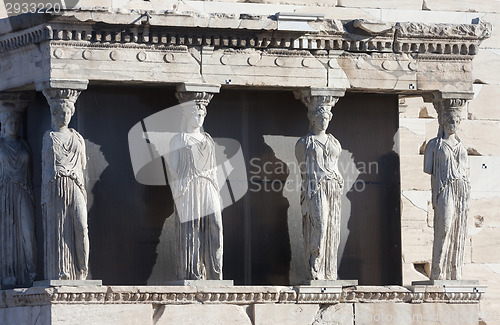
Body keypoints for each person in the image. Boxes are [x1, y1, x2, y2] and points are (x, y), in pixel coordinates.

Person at [168, 103, 223, 280]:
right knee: (192, 229)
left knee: (215, 225)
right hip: (189, 186)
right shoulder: (179, 139)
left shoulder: (208, 139)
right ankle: (193, 272)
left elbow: (214, 167)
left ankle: (215, 272)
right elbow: (173, 168)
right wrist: (179, 192)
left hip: (209, 185)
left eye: (202, 115)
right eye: (196, 114)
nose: (199, 118)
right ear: (187, 116)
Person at [41, 95, 89, 280]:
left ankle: (83, 269)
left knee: (81, 226)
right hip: (56, 185)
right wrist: (45, 196)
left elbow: (82, 165)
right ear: (54, 114)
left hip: (76, 183)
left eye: (68, 112)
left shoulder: (78, 137)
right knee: (59, 229)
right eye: (61, 112)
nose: (65, 116)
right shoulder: (49, 137)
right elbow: (45, 167)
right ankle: (62, 271)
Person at [295, 105, 343, 281]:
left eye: (327, 118)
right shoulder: (304, 143)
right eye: (321, 118)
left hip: (333, 187)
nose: (324, 122)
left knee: (332, 228)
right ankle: (314, 264)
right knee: (320, 226)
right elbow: (303, 169)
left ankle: (328, 271)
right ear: (313, 119)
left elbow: (335, 164)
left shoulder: (334, 141)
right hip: (315, 188)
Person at [424, 108, 470, 280]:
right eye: (451, 121)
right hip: (444, 189)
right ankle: (437, 269)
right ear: (443, 121)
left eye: (458, 121)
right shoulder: (434, 145)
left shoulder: (461, 146)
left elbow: (465, 170)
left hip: (462, 189)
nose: (455, 125)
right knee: (445, 227)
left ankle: (454, 270)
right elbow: (429, 169)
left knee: (458, 229)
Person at [0, 111, 36, 287]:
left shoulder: (24, 145)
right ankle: (9, 274)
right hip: (5, 192)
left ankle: (30, 273)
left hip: (24, 191)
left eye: (16, 122)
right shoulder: (0, 147)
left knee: (27, 233)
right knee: (7, 232)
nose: (14, 125)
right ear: (4, 125)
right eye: (10, 122)